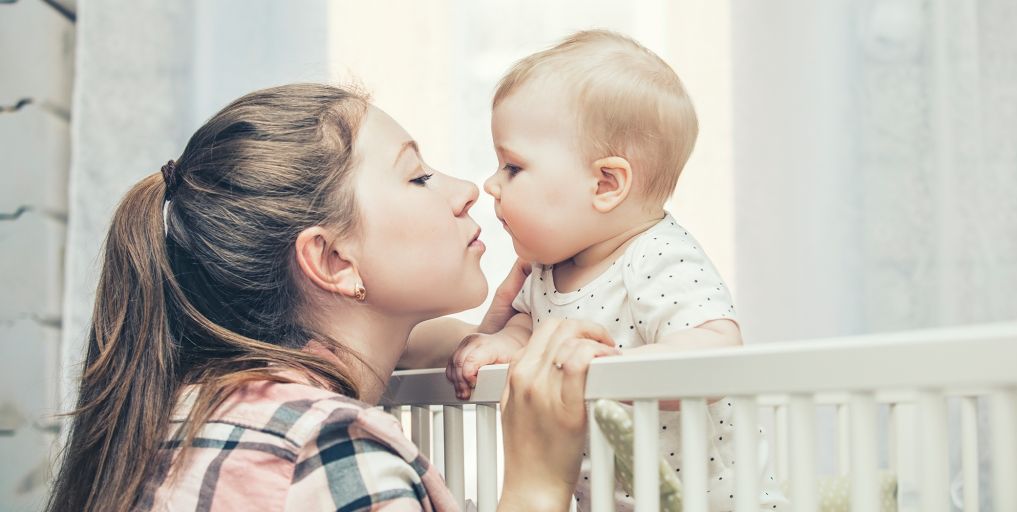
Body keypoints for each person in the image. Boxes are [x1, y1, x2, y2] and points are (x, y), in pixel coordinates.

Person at [46, 83, 618, 512]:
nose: (469, 192)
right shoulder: (327, 450)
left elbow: (405, 342)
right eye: (417, 177)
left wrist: (478, 340)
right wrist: (538, 483)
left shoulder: (180, 414)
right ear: (332, 261)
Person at [445, 30, 788, 511]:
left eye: (513, 167)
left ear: (606, 183)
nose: (491, 184)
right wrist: (502, 343)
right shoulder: (546, 270)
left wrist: (617, 373)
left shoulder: (656, 256)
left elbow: (716, 348)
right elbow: (529, 327)